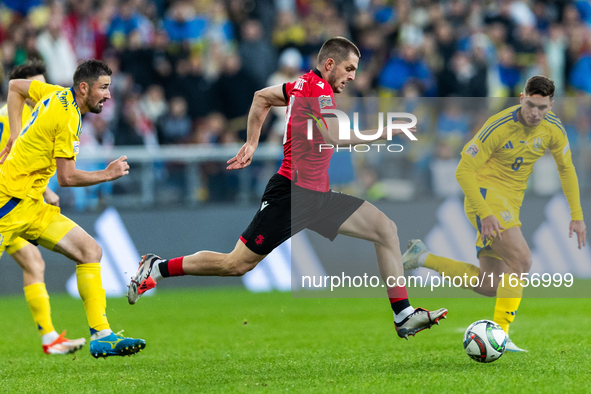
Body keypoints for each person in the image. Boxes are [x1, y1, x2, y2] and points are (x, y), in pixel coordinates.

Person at [128, 37, 448, 340]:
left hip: (317, 196)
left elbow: (262, 98)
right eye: (349, 68)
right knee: (236, 264)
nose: (353, 76)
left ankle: (403, 315)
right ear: (330, 63)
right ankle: (157, 267)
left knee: (385, 230)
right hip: (292, 195)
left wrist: (251, 144)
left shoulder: (301, 84)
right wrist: (388, 131)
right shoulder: (318, 89)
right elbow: (334, 136)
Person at [401, 76, 586, 352]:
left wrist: (577, 214)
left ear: (552, 105)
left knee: (489, 285)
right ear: (522, 98)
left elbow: (567, 169)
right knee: (522, 259)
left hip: (510, 204)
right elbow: (463, 169)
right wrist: (485, 213)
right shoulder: (498, 126)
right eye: (531, 105)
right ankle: (501, 333)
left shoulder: (553, 128)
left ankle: (421, 256)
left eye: (543, 107)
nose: (536, 113)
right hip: (485, 198)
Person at [0, 59, 146, 358]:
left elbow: (15, 88)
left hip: (32, 204)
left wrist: (16, 136)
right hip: (7, 202)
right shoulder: (68, 118)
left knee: (89, 251)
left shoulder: (54, 92)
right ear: (84, 87)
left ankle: (102, 334)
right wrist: (108, 173)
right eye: (103, 88)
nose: (108, 96)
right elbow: (66, 178)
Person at [0, 61, 86, 355]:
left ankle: (49, 337)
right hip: (6, 203)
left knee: (35, 263)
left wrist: (44, 191)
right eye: (35, 85)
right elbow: (10, 162)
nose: (41, 91)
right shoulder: (8, 118)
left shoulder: (40, 113)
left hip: (20, 207)